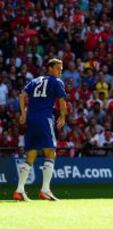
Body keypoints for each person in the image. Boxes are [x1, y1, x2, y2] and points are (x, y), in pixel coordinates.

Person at [13, 58, 67, 201]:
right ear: (49, 68)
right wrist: (62, 116)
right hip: (45, 119)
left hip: (31, 119)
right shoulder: (56, 82)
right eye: (57, 68)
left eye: (61, 69)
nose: (60, 71)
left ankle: (19, 191)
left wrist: (23, 114)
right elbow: (62, 101)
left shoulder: (35, 81)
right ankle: (45, 190)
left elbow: (22, 95)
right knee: (51, 152)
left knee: (31, 153)